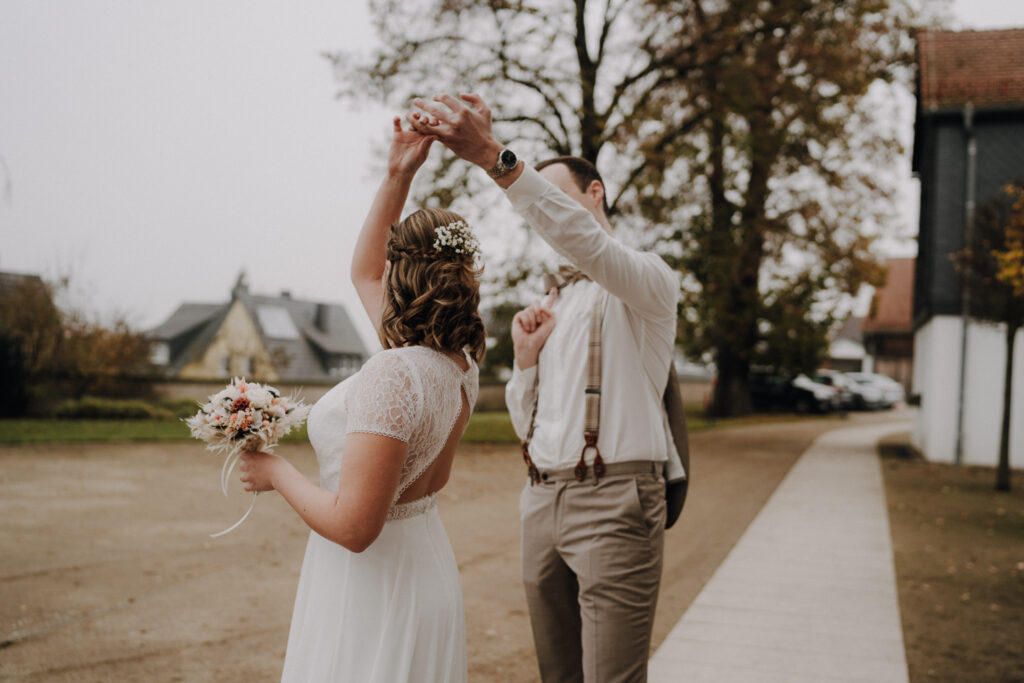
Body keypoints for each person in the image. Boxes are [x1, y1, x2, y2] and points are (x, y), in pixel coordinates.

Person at [409, 94, 679, 683]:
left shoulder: (647, 281)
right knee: (557, 675)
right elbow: (525, 424)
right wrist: (527, 364)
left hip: (616, 500)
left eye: (557, 200)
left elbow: (589, 244)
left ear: (594, 196)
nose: (546, 216)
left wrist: (493, 157)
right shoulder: (552, 303)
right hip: (540, 500)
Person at [237, 117, 484, 683]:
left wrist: (275, 471)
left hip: (375, 585)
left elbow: (355, 527)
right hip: (422, 565)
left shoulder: (394, 371)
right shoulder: (459, 362)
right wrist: (399, 172)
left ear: (403, 269)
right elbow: (435, 479)